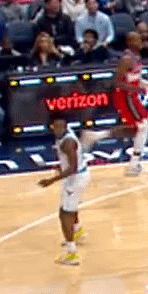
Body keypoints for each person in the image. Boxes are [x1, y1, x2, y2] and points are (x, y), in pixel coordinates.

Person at [36, 114, 107, 266]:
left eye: (60, 126)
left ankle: (71, 253)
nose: (57, 129)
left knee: (64, 214)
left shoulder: (67, 142)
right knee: (71, 208)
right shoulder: (65, 134)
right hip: (79, 176)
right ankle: (77, 230)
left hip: (75, 178)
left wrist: (51, 180)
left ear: (66, 125)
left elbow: (72, 168)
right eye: (55, 126)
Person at [97, 31, 148, 176]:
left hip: (131, 95)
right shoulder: (126, 59)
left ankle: (94, 136)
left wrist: (146, 83)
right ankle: (133, 165)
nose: (141, 41)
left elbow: (133, 78)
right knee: (143, 126)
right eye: (137, 39)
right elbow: (116, 82)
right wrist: (139, 88)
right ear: (129, 42)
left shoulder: (136, 58)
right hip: (125, 96)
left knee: (136, 129)